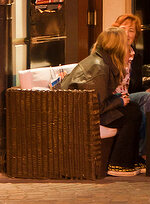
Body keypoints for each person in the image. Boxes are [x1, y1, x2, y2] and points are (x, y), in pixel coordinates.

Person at [61, 26, 142, 177]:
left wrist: (119, 100)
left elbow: (99, 98)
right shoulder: (98, 68)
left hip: (87, 110)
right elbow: (95, 106)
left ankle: (129, 160)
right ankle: (118, 163)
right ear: (117, 48)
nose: (129, 49)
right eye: (126, 45)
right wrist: (119, 102)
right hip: (80, 116)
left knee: (133, 108)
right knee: (132, 113)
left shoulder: (104, 62)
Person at [113, 12, 150, 166]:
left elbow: (135, 84)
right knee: (147, 98)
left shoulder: (136, 55)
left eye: (131, 30)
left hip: (130, 93)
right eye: (123, 29)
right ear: (115, 31)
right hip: (117, 97)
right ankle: (145, 153)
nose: (127, 34)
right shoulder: (110, 53)